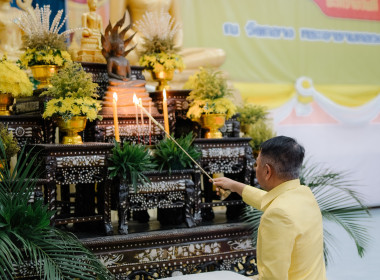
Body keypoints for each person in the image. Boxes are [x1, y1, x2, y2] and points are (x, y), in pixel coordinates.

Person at [212, 136, 327, 280]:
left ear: (267, 171)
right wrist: (235, 186)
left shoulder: (277, 215)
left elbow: (273, 278)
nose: (255, 168)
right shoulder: (304, 195)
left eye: (257, 164)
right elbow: (269, 200)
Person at [109, 0, 226, 68]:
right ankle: (165, 67)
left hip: (167, 49)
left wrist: (174, 50)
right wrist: (141, 42)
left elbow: (178, 25)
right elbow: (116, 24)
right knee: (126, 57)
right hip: (140, 48)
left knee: (218, 54)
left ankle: (166, 67)